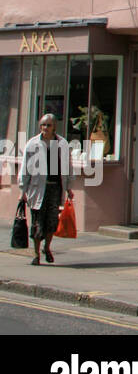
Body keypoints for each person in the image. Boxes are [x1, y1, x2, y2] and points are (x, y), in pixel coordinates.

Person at [18, 114, 71, 266]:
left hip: (55, 188)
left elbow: (67, 167)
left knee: (51, 222)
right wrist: (22, 191)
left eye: (48, 125)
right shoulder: (33, 144)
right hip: (37, 188)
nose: (45, 128)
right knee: (37, 221)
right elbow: (25, 168)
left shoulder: (61, 143)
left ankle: (46, 248)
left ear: (54, 126)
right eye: (43, 125)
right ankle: (36, 254)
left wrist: (69, 188)